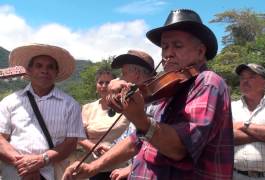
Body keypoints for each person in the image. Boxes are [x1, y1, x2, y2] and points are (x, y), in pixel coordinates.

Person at [63, 9, 234, 180]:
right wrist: (93, 167)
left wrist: (140, 119)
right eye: (165, 47)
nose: (168, 53)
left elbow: (180, 148)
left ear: (200, 51)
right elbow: (136, 141)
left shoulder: (207, 82)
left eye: (178, 45)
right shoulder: (171, 87)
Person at [0, 43, 86, 180]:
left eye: (50, 67)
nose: (44, 70)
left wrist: (41, 160)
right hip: (14, 173)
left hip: (52, 173)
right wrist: (24, 166)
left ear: (56, 72)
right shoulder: (10, 102)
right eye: (39, 66)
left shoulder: (70, 105)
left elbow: (70, 143)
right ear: (29, 70)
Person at [109, 49, 155, 180]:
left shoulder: (156, 103)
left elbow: (156, 147)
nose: (120, 78)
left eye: (124, 73)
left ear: (136, 75)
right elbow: (131, 138)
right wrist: (109, 148)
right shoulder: (136, 100)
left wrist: (130, 167)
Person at [78, 67, 130, 180]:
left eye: (108, 82)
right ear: (96, 86)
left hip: (121, 169)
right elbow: (79, 137)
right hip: (95, 167)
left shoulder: (127, 106)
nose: (104, 86)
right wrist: (93, 147)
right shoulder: (87, 108)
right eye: (100, 82)